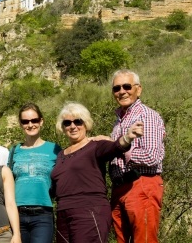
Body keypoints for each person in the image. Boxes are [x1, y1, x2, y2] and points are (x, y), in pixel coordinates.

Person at [51, 102, 142, 243]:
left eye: (78, 121)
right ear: (62, 127)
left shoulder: (95, 146)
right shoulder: (61, 155)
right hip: (63, 214)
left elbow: (115, 147)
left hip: (89, 211)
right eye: (67, 123)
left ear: (86, 124)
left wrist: (128, 137)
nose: (73, 126)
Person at [109, 69, 165, 243]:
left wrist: (122, 150)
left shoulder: (146, 116)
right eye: (116, 88)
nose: (122, 91)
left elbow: (151, 156)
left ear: (138, 89)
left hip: (142, 183)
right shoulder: (119, 121)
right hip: (120, 187)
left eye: (127, 86)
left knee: (144, 239)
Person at [7, 103, 61, 243]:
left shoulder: (54, 149)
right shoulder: (14, 151)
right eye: (25, 121)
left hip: (43, 214)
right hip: (17, 215)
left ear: (41, 121)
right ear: (20, 124)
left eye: (34, 120)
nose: (30, 125)